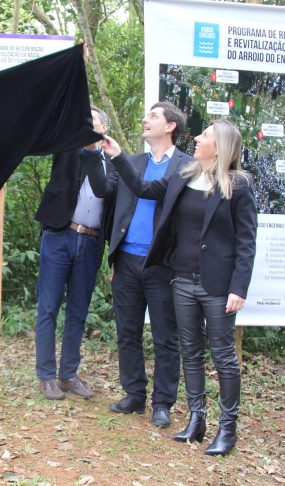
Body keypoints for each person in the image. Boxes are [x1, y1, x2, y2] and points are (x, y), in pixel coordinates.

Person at [88, 119, 257, 456]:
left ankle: (228, 430)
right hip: (181, 279)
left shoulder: (238, 185)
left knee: (223, 357)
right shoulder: (184, 175)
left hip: (217, 285)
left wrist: (239, 288)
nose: (197, 138)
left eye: (205, 135)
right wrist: (118, 155)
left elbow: (246, 241)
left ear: (220, 146)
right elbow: (144, 188)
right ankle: (197, 419)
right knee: (190, 353)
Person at [85, 102, 192, 427]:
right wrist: (92, 152)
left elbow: (154, 195)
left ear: (170, 126)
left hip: (162, 264)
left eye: (153, 116)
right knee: (127, 333)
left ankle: (162, 404)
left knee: (165, 337)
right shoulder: (133, 162)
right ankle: (134, 394)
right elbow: (103, 189)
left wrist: (116, 155)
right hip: (127, 260)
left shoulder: (186, 166)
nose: (146, 120)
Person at [33, 107, 110, 400]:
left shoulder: (113, 162)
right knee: (48, 308)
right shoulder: (66, 148)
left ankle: (68, 375)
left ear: (104, 128)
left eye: (92, 119)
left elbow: (109, 193)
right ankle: (46, 376)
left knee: (78, 312)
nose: (86, 123)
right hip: (59, 236)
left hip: (90, 242)